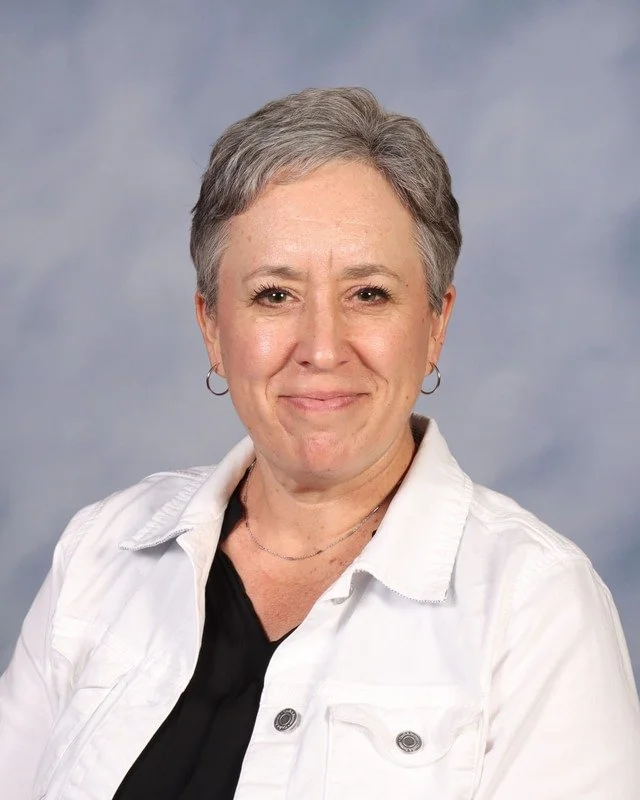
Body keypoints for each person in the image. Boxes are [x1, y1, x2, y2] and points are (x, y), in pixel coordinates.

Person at [1, 87, 639, 800]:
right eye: (275, 294)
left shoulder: (536, 605)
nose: (322, 348)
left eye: (368, 294)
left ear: (435, 324)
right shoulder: (100, 552)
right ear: (212, 326)